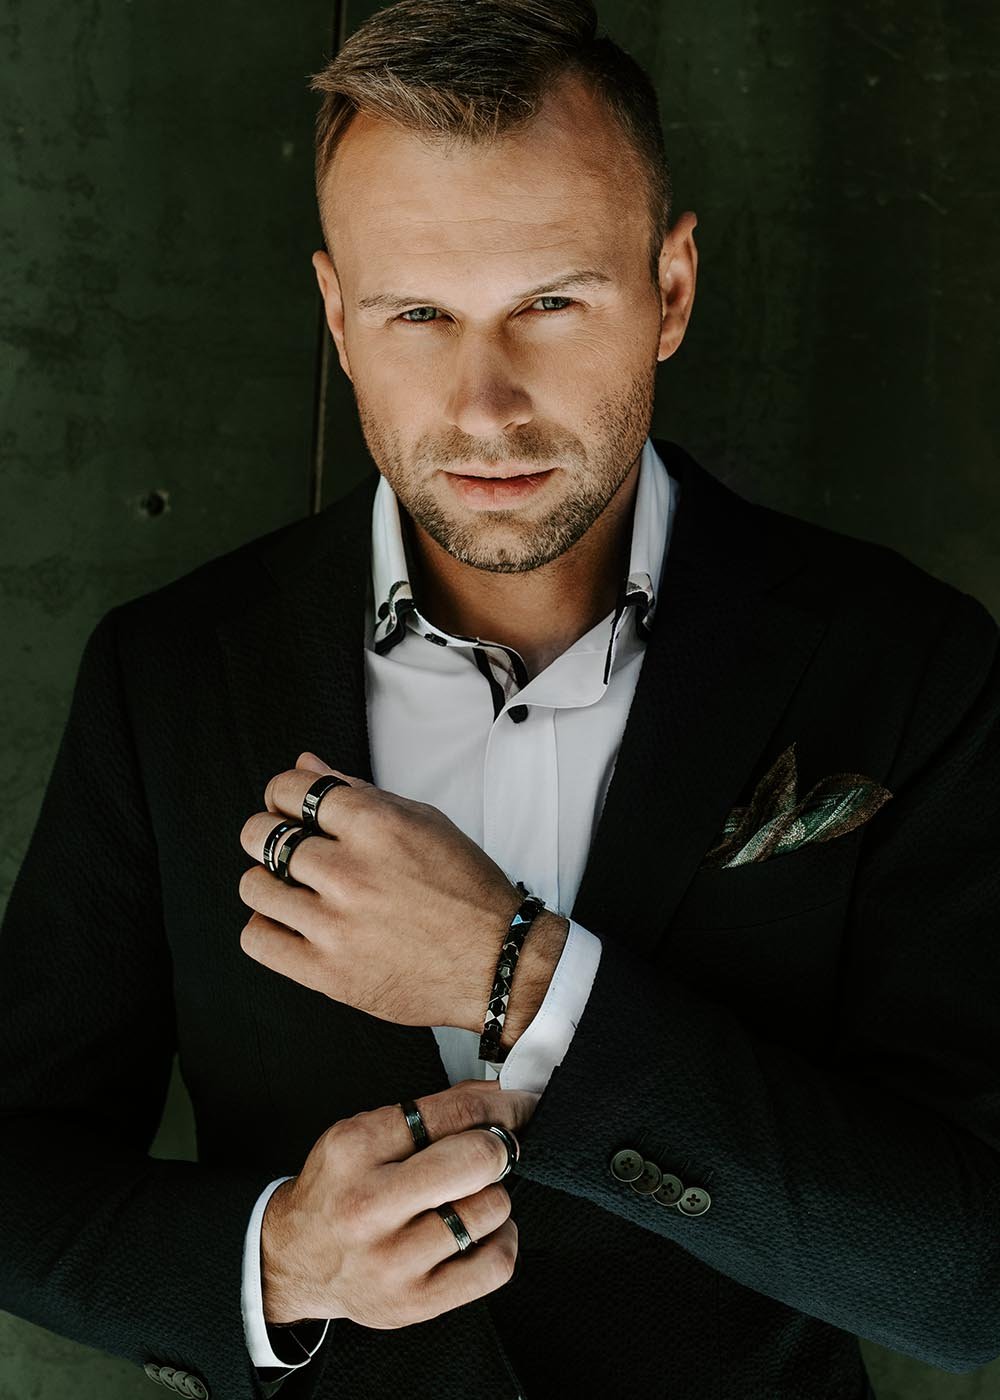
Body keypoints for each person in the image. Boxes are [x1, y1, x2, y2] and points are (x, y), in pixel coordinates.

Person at [1, 1, 998, 1398]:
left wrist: (517, 976)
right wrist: (278, 1261)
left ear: (673, 288)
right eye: (417, 312)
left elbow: (971, 1279)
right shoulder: (168, 674)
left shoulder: (913, 664)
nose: (484, 405)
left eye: (550, 302)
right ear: (338, 319)